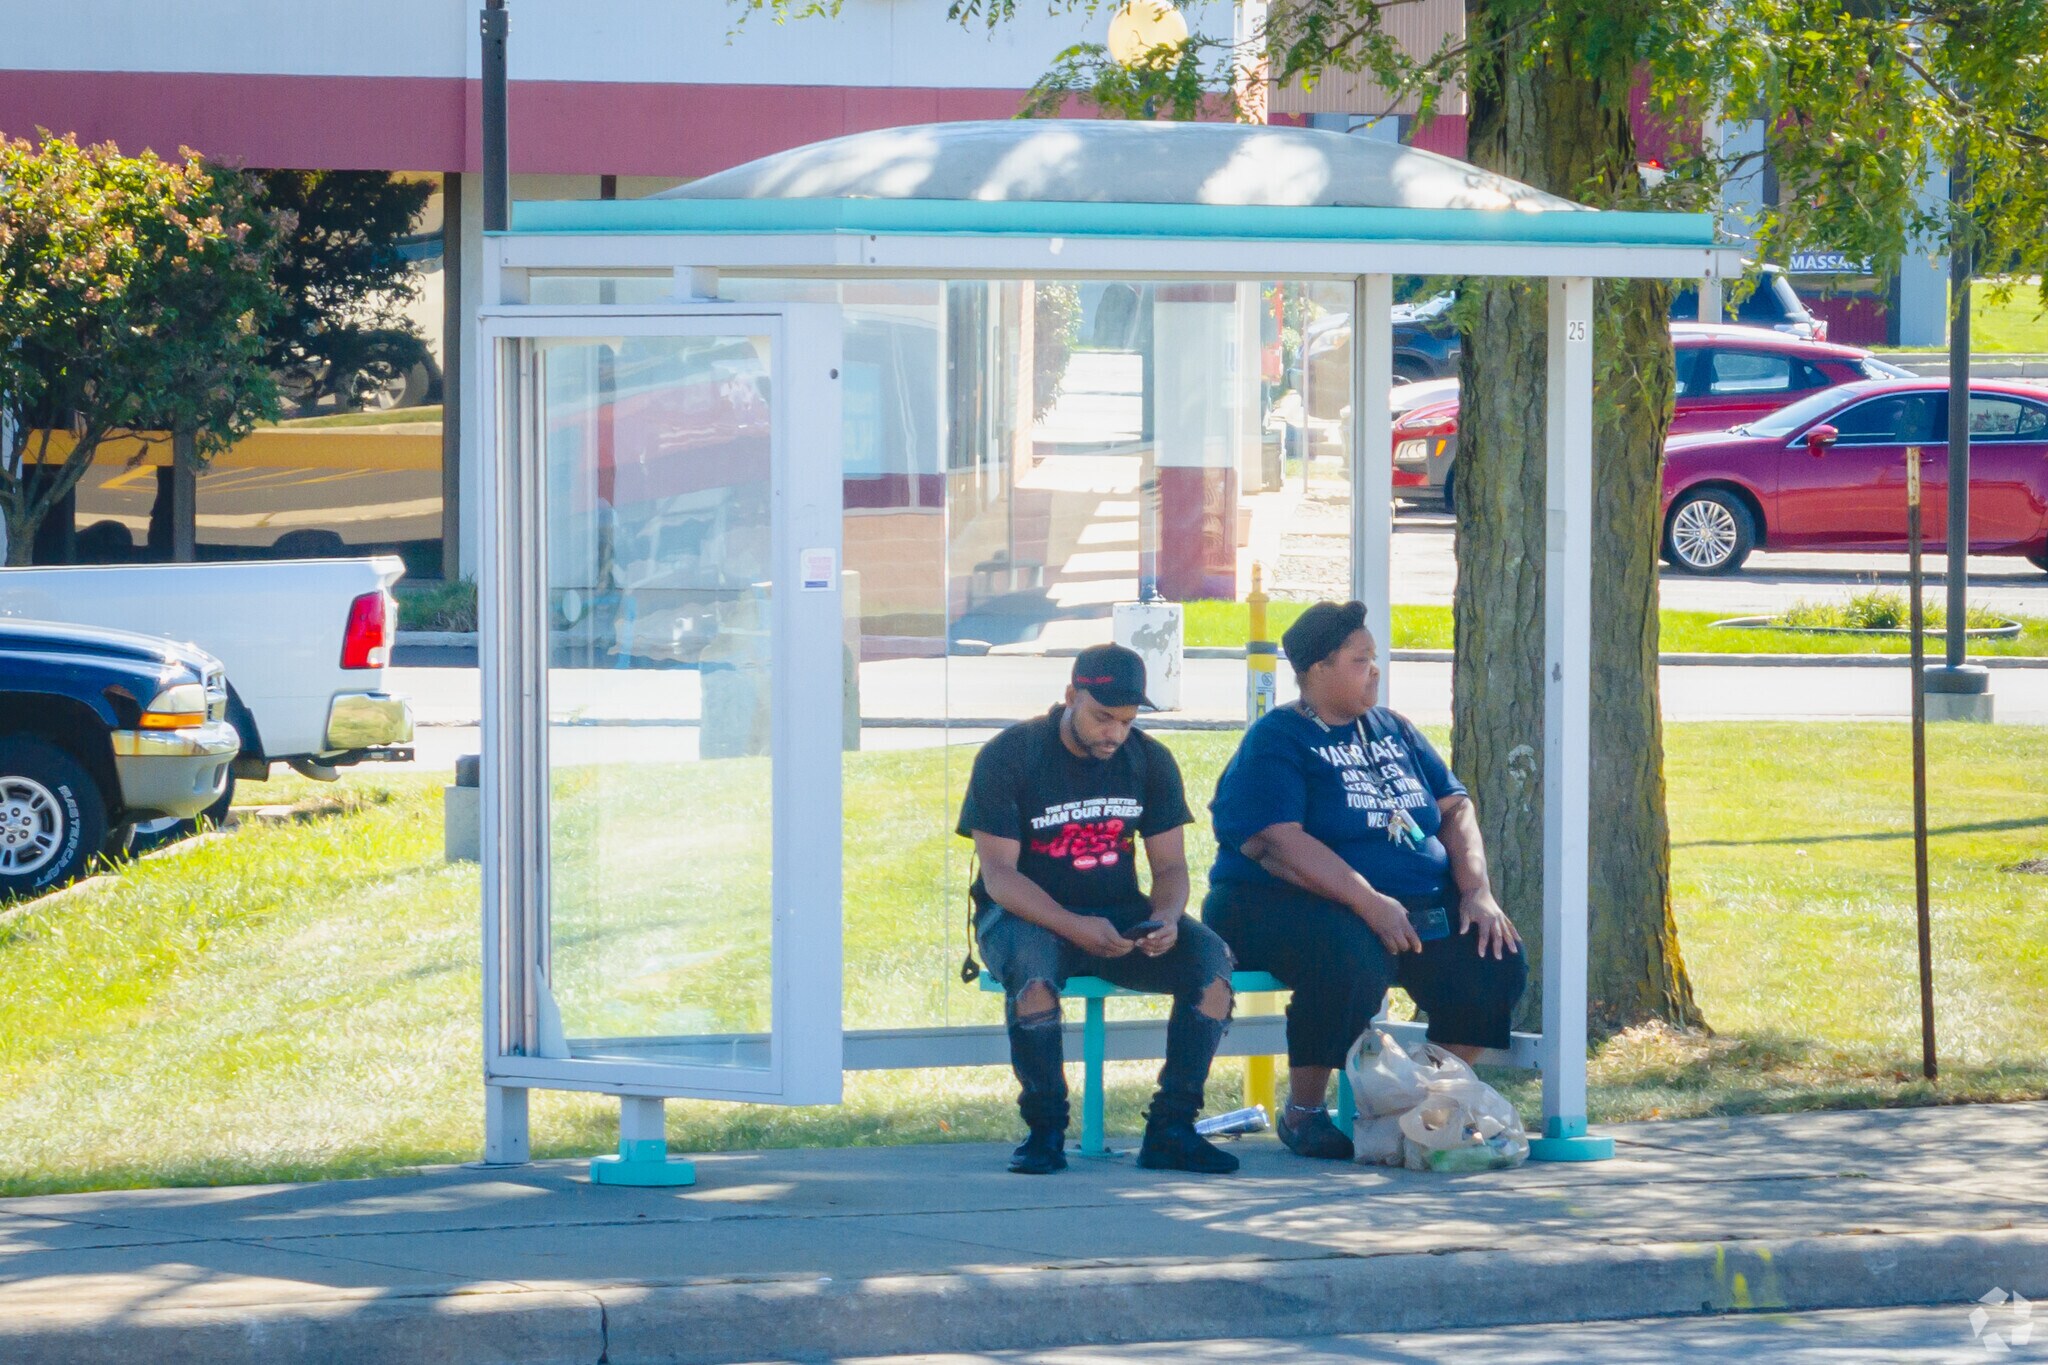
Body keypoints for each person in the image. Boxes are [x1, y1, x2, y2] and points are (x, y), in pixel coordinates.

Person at [1202, 600, 1527, 1160]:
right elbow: (1278, 842)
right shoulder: (1278, 739)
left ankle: (1431, 1104)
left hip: (1408, 904)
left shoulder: (1393, 729)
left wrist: (1477, 892)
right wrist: (1368, 902)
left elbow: (1454, 808)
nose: (1374, 670)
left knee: (1491, 953)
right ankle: (1304, 1112)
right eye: (1360, 660)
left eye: (1374, 657)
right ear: (1316, 670)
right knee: (1350, 955)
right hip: (1279, 902)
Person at [958, 643, 1239, 1176]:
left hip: (1117, 914)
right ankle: (1045, 1130)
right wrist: (1073, 927)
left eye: (1127, 721)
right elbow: (1000, 876)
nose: (1115, 733)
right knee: (1035, 977)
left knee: (1213, 967)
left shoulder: (1150, 759)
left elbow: (1171, 868)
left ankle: (1172, 1128)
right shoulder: (1010, 755)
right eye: (1102, 717)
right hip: (1024, 915)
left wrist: (1166, 919)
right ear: (1071, 696)